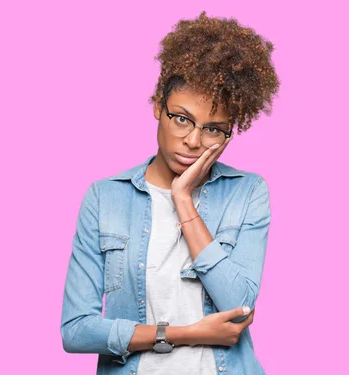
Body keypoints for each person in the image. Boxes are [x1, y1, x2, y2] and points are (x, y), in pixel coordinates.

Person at [60, 12, 280, 375]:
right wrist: (184, 334)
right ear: (158, 105)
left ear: (228, 135)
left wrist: (182, 200)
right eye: (181, 118)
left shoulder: (247, 192)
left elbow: (239, 305)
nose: (193, 141)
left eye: (213, 129)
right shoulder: (105, 198)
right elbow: (76, 331)